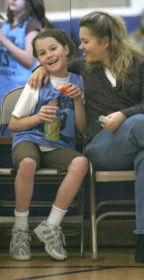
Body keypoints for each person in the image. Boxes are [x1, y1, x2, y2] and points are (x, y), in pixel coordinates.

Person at [29, 11, 144, 267]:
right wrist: (42, 66)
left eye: (86, 41)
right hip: (102, 147)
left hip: (141, 139)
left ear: (105, 41)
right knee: (140, 122)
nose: (81, 47)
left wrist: (122, 115)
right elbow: (57, 63)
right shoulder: (84, 65)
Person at [8, 28, 88, 261]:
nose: (49, 55)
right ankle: (20, 230)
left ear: (65, 49)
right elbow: (13, 125)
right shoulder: (37, 81)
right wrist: (38, 117)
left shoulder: (79, 82)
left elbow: (82, 128)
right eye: (42, 53)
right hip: (30, 139)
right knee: (28, 163)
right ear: (38, 60)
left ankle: (51, 226)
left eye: (53, 49)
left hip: (59, 143)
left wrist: (77, 100)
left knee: (81, 162)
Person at [0, 0, 52, 105]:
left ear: (30, 1)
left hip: (20, 88)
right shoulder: (4, 26)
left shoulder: (31, 25)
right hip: (3, 85)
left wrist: (4, 40)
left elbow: (29, 60)